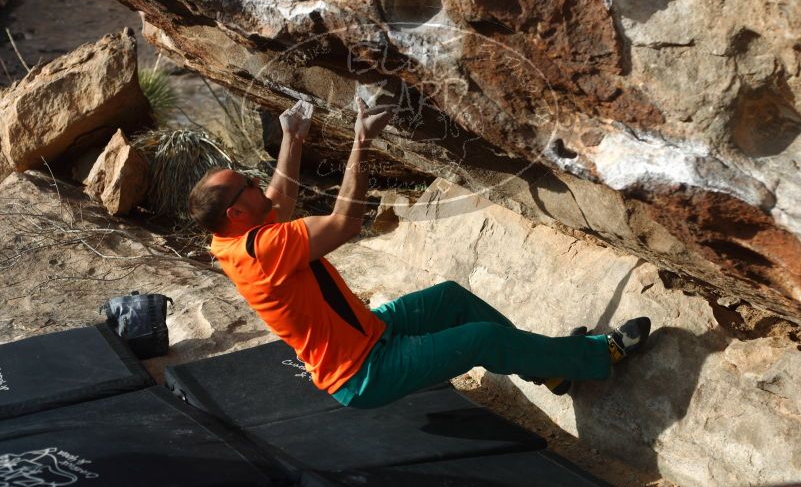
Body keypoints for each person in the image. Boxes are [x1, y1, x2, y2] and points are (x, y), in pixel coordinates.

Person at [188, 96, 651, 409]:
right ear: (236, 215)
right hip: (365, 371)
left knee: (451, 298)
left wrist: (293, 138)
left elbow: (277, 200)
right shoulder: (260, 252)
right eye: (246, 185)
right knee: (481, 339)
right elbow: (344, 223)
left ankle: (550, 370)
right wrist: (362, 142)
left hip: (372, 332)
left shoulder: (230, 238)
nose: (256, 184)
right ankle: (593, 358)